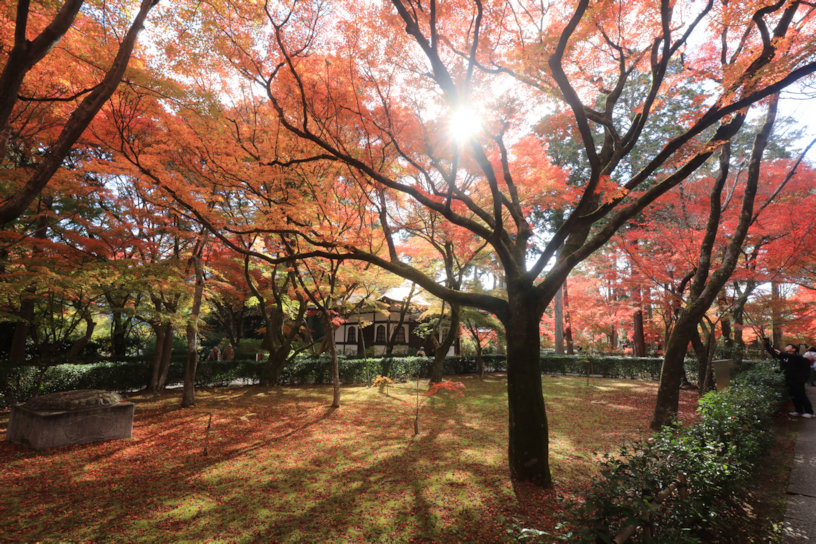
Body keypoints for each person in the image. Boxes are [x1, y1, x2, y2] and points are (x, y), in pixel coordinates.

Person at [764, 338, 814, 418]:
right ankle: (798, 410)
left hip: (798, 380)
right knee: (793, 395)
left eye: (788, 347)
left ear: (794, 349)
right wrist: (767, 344)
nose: (786, 347)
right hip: (789, 379)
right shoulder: (784, 356)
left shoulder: (797, 357)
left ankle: (809, 412)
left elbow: (791, 357)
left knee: (801, 395)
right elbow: (773, 353)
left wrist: (782, 353)